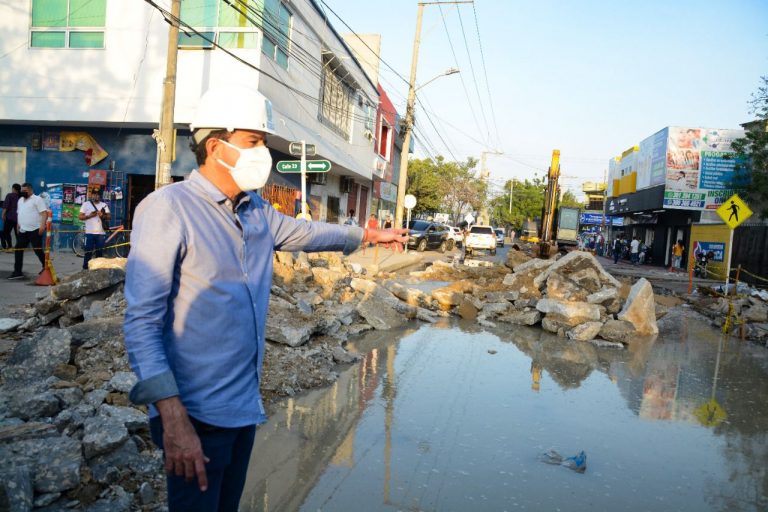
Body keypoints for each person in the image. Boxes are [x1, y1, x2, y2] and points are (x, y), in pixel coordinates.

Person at [123, 84, 407, 512]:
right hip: (194, 415)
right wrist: (173, 419)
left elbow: (308, 233)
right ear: (216, 146)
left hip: (242, 408)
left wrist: (367, 234)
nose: (263, 154)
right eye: (254, 142)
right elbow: (141, 323)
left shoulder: (254, 210)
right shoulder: (169, 209)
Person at [8, 183, 48, 280]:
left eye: (25, 191)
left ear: (30, 190)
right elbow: (19, 213)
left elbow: (44, 213)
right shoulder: (20, 200)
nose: (23, 192)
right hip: (23, 230)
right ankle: (17, 272)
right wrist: (18, 225)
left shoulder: (37, 199)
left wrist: (42, 225)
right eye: (22, 190)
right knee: (18, 249)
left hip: (35, 230)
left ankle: (45, 267)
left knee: (37, 250)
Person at [78, 189, 110, 269]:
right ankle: (85, 269)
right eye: (94, 194)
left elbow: (109, 217)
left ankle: (98, 270)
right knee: (88, 252)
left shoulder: (104, 205)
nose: (96, 196)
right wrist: (89, 216)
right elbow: (80, 217)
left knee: (99, 253)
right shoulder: (85, 204)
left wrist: (102, 215)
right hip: (89, 233)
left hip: (100, 233)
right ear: (91, 195)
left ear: (100, 196)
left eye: (97, 194)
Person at [1, 183, 20, 250]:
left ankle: (10, 246)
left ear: (13, 189)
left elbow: (6, 206)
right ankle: (19, 247)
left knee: (6, 232)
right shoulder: (21, 196)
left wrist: (3, 214)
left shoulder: (9, 195)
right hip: (19, 218)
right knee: (17, 233)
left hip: (10, 217)